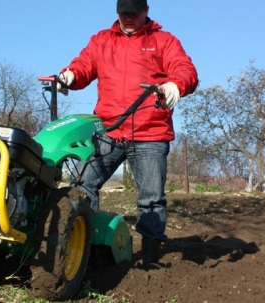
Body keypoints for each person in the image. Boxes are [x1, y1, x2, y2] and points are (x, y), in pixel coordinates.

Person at [58, 0, 198, 268]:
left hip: (150, 131)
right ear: (117, 13)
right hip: (108, 129)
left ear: (146, 12)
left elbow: (185, 69)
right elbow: (84, 66)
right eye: (124, 13)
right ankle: (85, 246)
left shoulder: (162, 41)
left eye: (134, 13)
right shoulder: (102, 40)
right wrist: (69, 76)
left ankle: (149, 257)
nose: (128, 18)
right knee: (82, 185)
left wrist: (174, 85)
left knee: (151, 198)